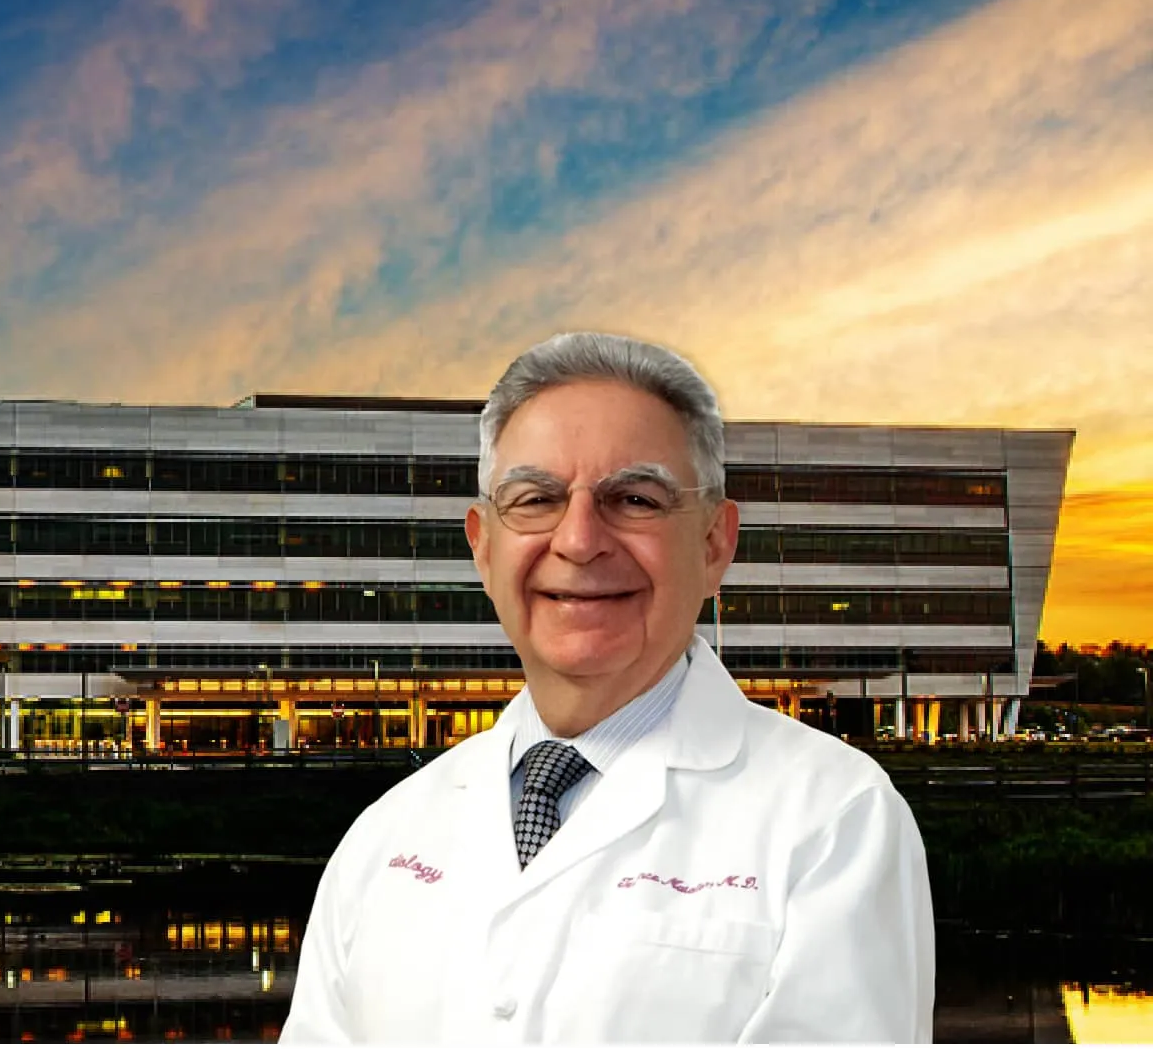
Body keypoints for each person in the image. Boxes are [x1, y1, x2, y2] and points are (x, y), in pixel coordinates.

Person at [281, 332, 933, 1043]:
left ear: (715, 543)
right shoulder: (385, 835)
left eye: (635, 498)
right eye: (536, 497)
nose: (580, 538)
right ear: (483, 546)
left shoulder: (833, 821)